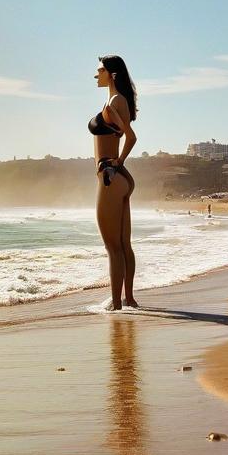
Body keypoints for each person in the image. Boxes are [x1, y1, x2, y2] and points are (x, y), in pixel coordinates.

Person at [90, 55, 139, 310]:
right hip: (121, 178)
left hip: (109, 175)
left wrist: (117, 161)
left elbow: (130, 137)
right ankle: (128, 299)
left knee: (112, 247)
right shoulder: (119, 101)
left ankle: (116, 304)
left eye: (100, 70)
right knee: (123, 245)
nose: (96, 74)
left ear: (112, 74)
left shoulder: (113, 103)